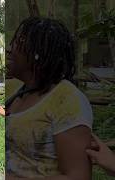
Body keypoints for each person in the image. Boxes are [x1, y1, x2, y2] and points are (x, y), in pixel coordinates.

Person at [5, 17, 93, 180]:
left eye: (19, 42)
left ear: (40, 51)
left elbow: (78, 175)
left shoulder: (67, 100)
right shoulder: (14, 89)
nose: (9, 49)